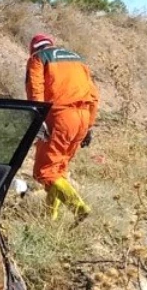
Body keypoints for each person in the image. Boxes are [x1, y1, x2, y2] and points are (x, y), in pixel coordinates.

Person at [24, 33, 99, 222]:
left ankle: (78, 207)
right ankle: (50, 219)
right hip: (83, 117)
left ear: (33, 48)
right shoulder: (77, 59)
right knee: (58, 170)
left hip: (60, 117)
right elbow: (93, 94)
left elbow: (36, 89)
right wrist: (89, 125)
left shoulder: (38, 58)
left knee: (44, 171)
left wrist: (38, 118)